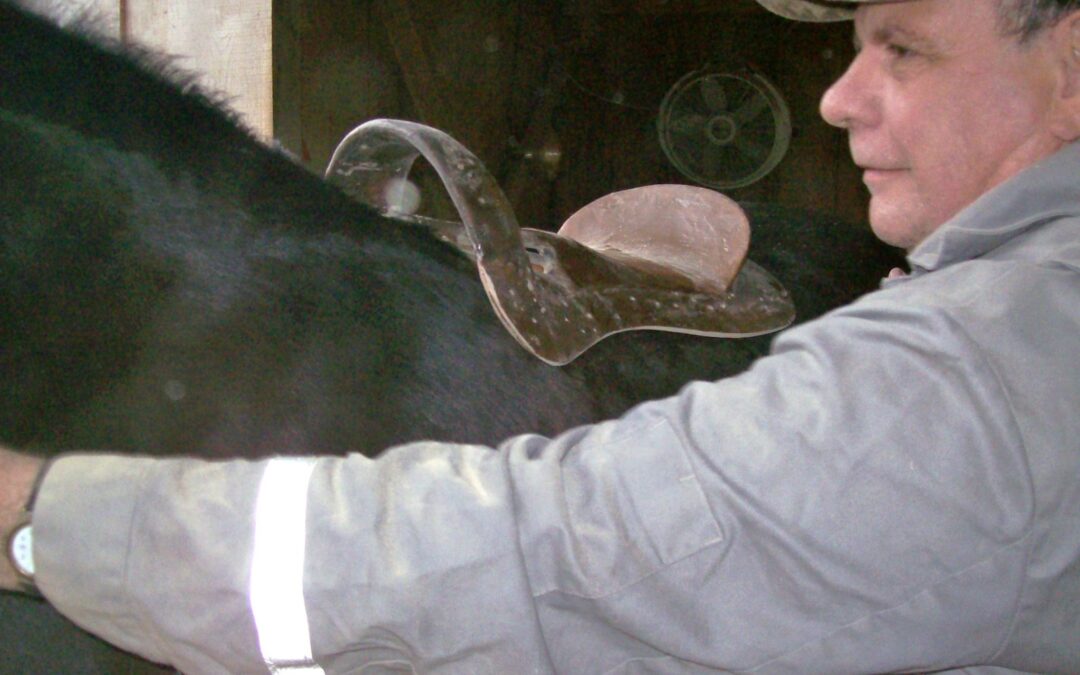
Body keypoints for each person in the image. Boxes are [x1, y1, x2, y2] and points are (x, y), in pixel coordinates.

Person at [3, 0, 1080, 671]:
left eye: (905, 48)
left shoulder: (989, 366)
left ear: (1071, 62)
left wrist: (43, 518)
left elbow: (552, 557)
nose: (839, 99)